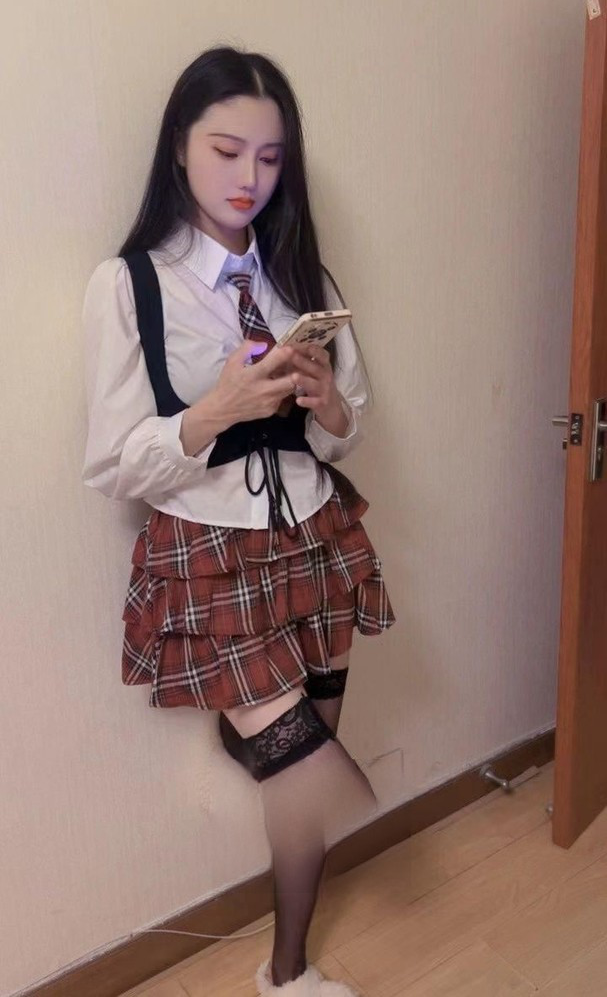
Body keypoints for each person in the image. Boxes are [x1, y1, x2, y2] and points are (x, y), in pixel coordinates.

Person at [82, 45, 395, 997]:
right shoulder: (130, 286)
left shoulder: (304, 275)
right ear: (180, 145)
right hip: (209, 551)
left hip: (315, 535)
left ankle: (286, 972)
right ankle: (258, 737)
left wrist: (329, 407)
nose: (248, 178)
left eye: (269, 157)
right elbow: (110, 463)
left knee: (301, 786)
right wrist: (213, 409)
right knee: (310, 773)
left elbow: (349, 428)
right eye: (226, 151)